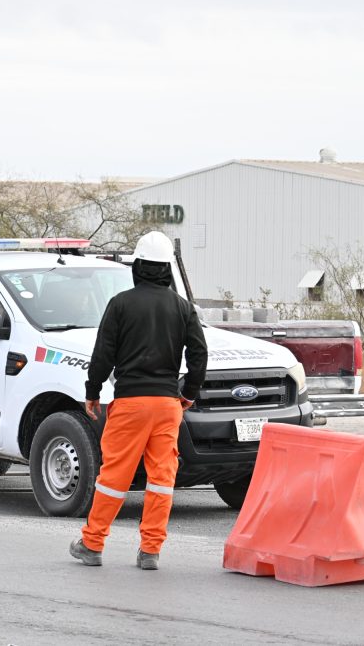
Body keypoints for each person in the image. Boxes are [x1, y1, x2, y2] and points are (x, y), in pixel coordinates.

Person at [69, 231, 208, 570]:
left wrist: (92, 391)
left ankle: (92, 543)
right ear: (167, 269)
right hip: (167, 406)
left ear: (138, 266)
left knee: (115, 476)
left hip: (131, 403)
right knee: (162, 479)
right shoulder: (183, 307)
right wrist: (189, 393)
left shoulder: (120, 304)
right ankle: (150, 551)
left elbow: (103, 354)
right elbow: (199, 354)